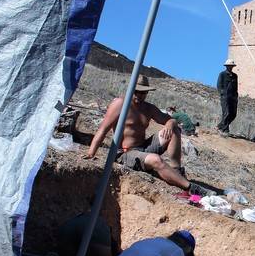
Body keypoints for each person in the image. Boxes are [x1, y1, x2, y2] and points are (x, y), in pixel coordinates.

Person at [83, 75, 214, 197]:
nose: (139, 95)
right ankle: (190, 187)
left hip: (143, 148)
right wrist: (91, 153)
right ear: (131, 89)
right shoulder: (119, 104)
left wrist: (169, 124)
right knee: (155, 159)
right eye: (137, 91)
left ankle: (177, 171)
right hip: (124, 153)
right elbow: (102, 129)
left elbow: (170, 120)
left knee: (174, 130)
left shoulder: (148, 108)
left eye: (143, 92)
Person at [217, 59, 238, 137]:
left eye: (231, 66)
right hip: (225, 97)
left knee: (233, 114)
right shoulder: (222, 74)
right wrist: (222, 93)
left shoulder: (235, 76)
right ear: (226, 66)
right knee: (226, 113)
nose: (230, 67)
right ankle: (225, 129)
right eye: (229, 66)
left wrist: (236, 96)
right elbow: (219, 85)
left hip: (233, 97)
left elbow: (236, 87)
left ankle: (220, 126)